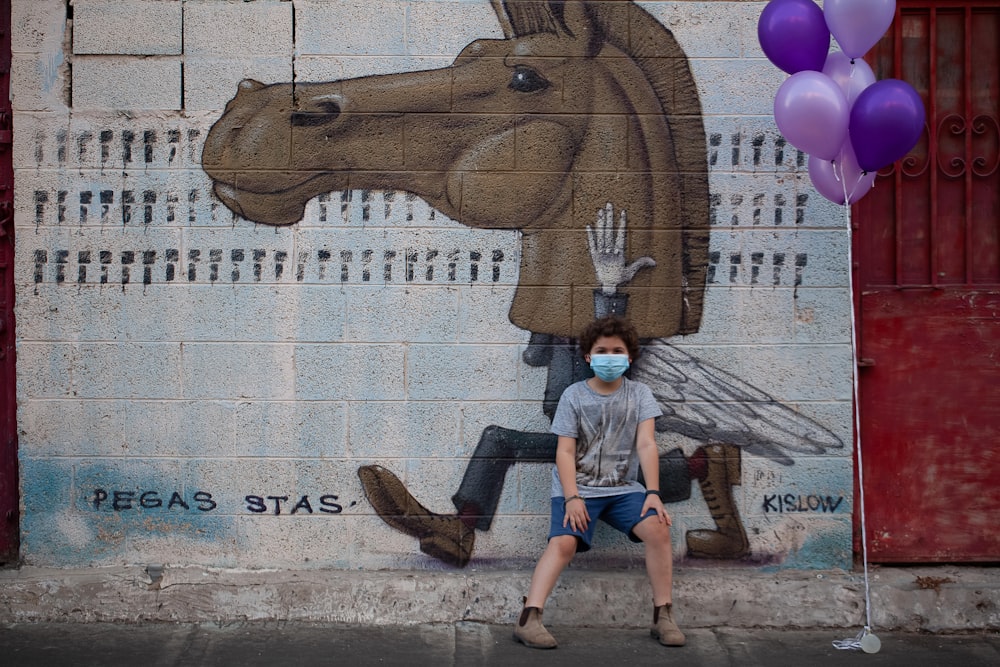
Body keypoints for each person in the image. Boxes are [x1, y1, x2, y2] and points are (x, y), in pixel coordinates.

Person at [513, 315, 685, 650]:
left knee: (658, 528)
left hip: (624, 491)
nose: (610, 356)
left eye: (617, 350)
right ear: (588, 356)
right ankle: (529, 618)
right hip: (578, 489)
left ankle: (663, 615)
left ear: (630, 356)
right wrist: (572, 497)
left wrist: (653, 493)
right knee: (563, 544)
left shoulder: (640, 395)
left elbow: (647, 444)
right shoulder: (573, 396)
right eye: (602, 350)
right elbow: (564, 452)